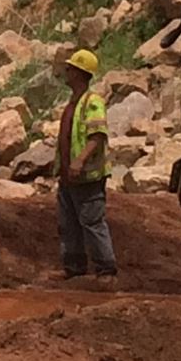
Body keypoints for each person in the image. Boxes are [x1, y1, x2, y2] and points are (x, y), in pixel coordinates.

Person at [55, 47, 116, 289]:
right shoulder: (73, 102)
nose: (66, 71)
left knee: (92, 222)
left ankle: (106, 269)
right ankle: (74, 268)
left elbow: (97, 135)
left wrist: (79, 160)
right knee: (68, 222)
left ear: (81, 73)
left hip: (87, 176)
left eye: (70, 68)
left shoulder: (93, 102)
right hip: (69, 176)